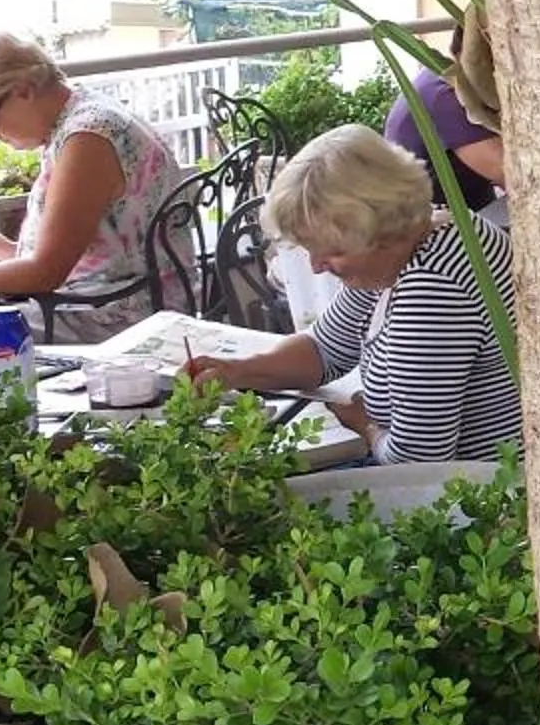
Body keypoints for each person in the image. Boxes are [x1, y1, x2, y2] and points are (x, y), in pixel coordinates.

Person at [188, 126, 522, 464]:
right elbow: (324, 350)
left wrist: (365, 425)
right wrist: (235, 371)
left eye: (331, 251)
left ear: (379, 231)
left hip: (477, 496)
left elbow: (417, 460)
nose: (317, 266)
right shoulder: (425, 232)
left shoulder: (432, 288)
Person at [0, 33, 184, 342]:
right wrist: (10, 250)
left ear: (23, 90)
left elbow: (46, 273)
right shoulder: (86, 115)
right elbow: (97, 254)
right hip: (117, 300)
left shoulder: (87, 139)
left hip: (116, 320)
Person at [384, 63, 505, 213]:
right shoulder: (443, 96)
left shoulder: (443, 72)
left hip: (471, 203)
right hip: (443, 222)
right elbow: (510, 173)